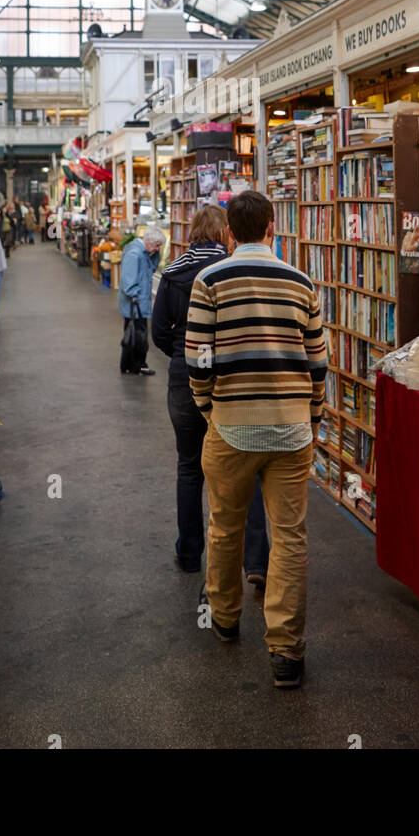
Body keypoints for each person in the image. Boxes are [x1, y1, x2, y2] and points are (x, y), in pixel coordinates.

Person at [185, 190, 326, 689]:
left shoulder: (209, 281)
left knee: (225, 524)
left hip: (229, 425)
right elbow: (317, 362)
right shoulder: (302, 282)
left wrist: (209, 408)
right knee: (289, 534)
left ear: (229, 234)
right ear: (272, 228)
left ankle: (224, 617)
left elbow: (197, 358)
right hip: (291, 428)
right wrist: (311, 414)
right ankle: (286, 650)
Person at [152, 205, 269, 581]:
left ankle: (189, 554)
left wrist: (179, 349)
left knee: (189, 466)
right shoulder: (234, 270)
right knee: (244, 465)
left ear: (192, 233)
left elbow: (157, 331)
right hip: (231, 377)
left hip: (184, 376)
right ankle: (255, 560)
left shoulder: (172, 273)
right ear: (226, 234)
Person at [119, 226, 164, 375]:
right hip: (135, 304)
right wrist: (136, 297)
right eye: (157, 245)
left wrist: (155, 255)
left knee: (137, 335)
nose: (157, 249)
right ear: (149, 241)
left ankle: (135, 365)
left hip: (139, 303)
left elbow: (151, 269)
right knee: (136, 336)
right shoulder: (135, 254)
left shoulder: (144, 253)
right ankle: (135, 365)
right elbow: (128, 281)